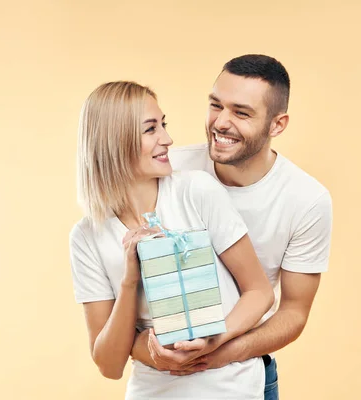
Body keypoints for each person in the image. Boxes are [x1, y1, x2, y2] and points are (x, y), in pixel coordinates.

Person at [131, 54, 333, 400]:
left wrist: (218, 353)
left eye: (241, 113)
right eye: (215, 105)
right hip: (161, 375)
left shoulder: (307, 199)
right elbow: (128, 291)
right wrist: (151, 352)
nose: (220, 122)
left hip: (243, 375)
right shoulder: (168, 168)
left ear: (277, 125)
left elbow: (294, 312)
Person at [68, 81, 274, 399]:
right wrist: (129, 279)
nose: (168, 139)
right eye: (151, 130)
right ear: (114, 141)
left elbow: (260, 293)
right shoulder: (87, 237)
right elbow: (109, 366)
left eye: (163, 125)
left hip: (231, 387)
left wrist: (211, 341)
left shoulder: (196, 192)